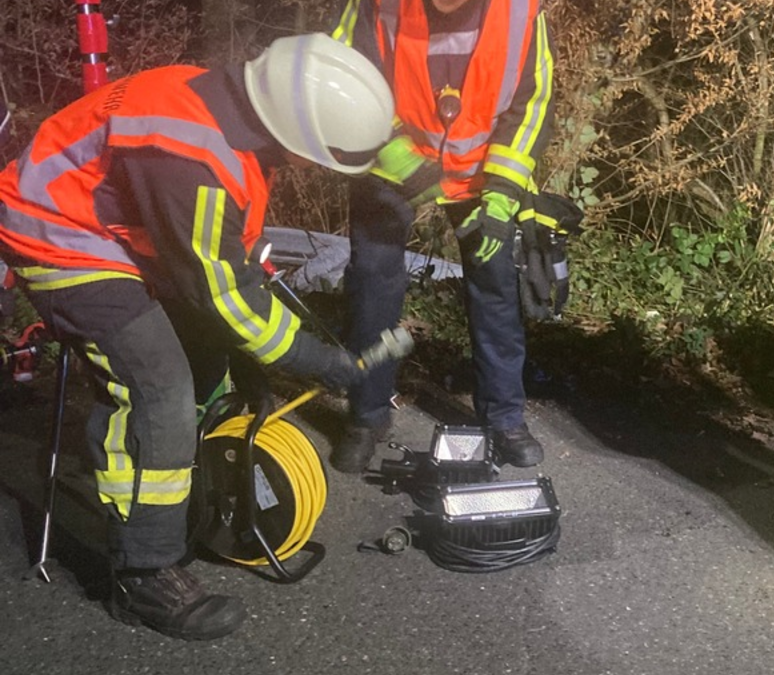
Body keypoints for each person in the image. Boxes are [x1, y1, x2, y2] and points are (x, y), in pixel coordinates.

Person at [0, 33, 396, 641]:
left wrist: (252, 357)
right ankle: (144, 573)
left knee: (209, 357)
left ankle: (187, 494)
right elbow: (220, 290)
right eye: (323, 157)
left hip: (114, 231)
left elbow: (219, 268)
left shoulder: (227, 108)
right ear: (299, 134)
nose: (317, 168)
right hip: (57, 234)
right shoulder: (190, 157)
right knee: (158, 387)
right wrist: (312, 358)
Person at [328, 0, 557, 473]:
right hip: (394, 164)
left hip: (481, 177)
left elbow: (532, 102)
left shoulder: (520, 10)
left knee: (496, 286)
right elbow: (339, 75)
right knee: (372, 282)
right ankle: (367, 414)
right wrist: (396, 155)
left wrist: (502, 194)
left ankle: (504, 416)